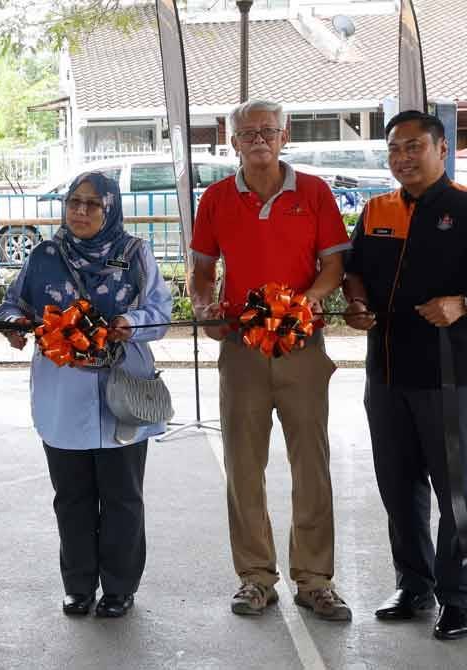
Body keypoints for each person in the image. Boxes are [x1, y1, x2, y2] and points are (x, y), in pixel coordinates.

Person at [189, 99, 352, 620]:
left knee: (312, 465)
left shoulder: (315, 193)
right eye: (247, 132)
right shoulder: (215, 198)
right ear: (231, 141)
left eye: (268, 131)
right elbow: (200, 272)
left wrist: (302, 304)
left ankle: (315, 579)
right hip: (240, 350)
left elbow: (333, 269)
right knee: (243, 465)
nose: (258, 139)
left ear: (285, 137)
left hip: (303, 347)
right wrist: (203, 307)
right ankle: (256, 577)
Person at [0, 171, 171, 618]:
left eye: (94, 204)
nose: (81, 211)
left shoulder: (135, 254)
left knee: (122, 498)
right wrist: (13, 324)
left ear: (111, 209)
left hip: (123, 395)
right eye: (75, 201)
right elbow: (13, 303)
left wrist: (131, 323)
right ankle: (77, 586)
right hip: (62, 397)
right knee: (70, 498)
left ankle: (118, 588)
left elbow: (160, 312)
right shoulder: (44, 256)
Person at [343, 110, 467, 641]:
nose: (402, 158)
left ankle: (457, 596)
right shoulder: (376, 210)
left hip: (449, 374)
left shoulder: (463, 208)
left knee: (456, 493)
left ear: (441, 148)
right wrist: (355, 302)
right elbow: (353, 272)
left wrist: (462, 302)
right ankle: (412, 583)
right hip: (386, 372)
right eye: (394, 149)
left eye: (413, 147)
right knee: (399, 487)